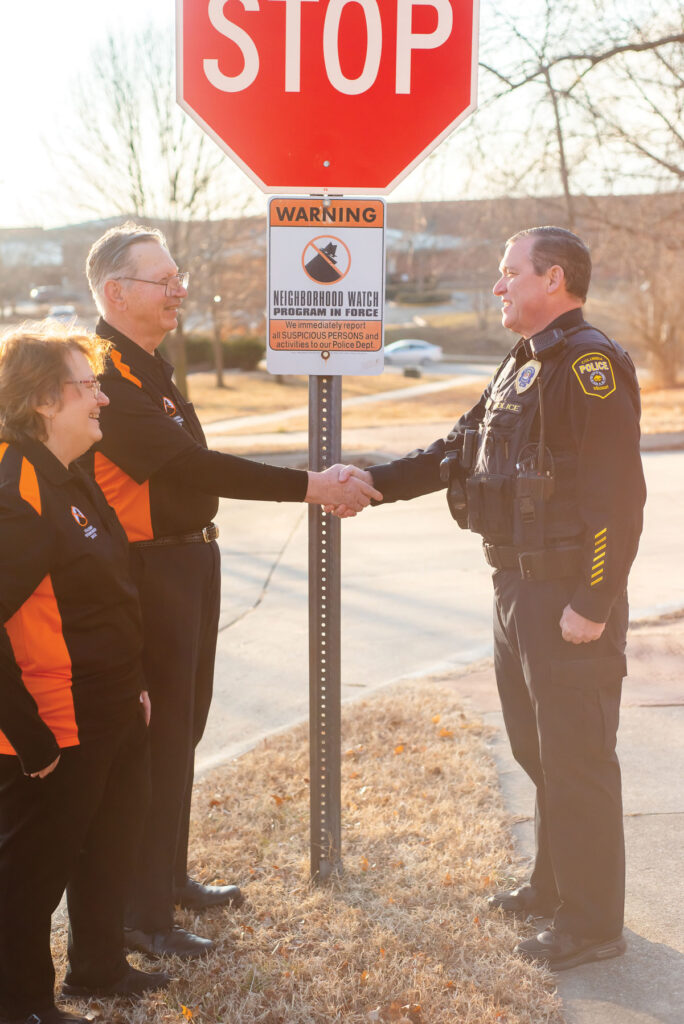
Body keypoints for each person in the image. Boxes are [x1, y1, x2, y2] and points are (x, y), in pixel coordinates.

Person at [334, 226, 646, 970]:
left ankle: (593, 921)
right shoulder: (521, 363)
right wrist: (369, 484)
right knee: (539, 751)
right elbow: (455, 451)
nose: (499, 285)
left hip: (567, 595)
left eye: (510, 273)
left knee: (579, 760)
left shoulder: (591, 365)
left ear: (556, 278)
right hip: (515, 589)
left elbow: (619, 501)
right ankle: (551, 886)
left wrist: (595, 602)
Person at [82, 222, 381, 960]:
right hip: (149, 574)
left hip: (188, 566)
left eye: (179, 275)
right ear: (117, 292)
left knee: (181, 732)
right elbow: (193, 470)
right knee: (153, 743)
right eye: (165, 279)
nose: (181, 288)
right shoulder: (109, 375)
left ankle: (167, 878)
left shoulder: (151, 367)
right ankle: (140, 918)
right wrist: (312, 485)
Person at [0, 324, 170, 1024]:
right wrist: (27, 734)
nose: (102, 398)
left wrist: (132, 686)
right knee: (29, 876)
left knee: (107, 843)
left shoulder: (70, 472)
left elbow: (103, 591)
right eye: (88, 385)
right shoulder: (16, 483)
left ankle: (99, 968)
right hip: (52, 721)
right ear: (43, 400)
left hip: (109, 706)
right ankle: (21, 1005)